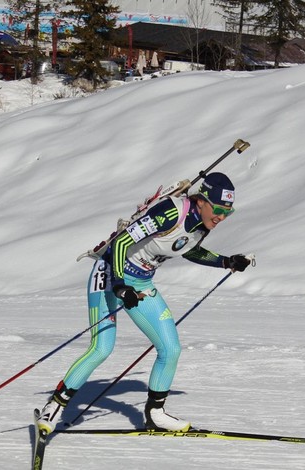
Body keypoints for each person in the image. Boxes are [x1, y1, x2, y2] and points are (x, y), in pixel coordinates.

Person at [36, 172, 251, 433]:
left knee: (170, 349)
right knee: (102, 348)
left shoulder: (203, 225)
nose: (220, 217)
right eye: (218, 209)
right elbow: (122, 241)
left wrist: (225, 261)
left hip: (141, 284)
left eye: (227, 213)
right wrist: (118, 284)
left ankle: (155, 414)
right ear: (201, 201)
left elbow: (186, 247)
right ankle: (55, 406)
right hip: (109, 275)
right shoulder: (171, 213)